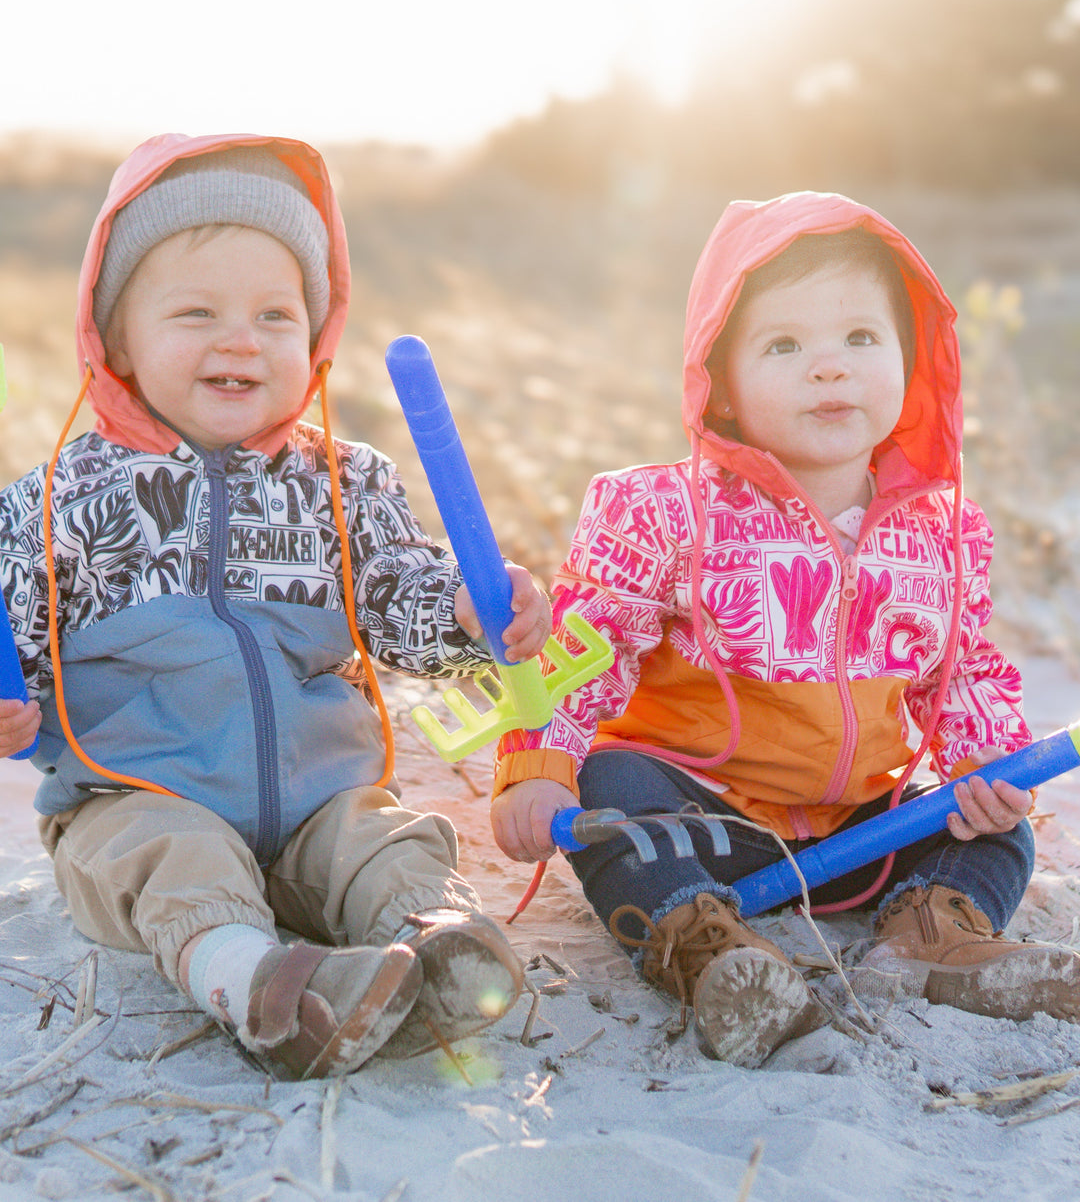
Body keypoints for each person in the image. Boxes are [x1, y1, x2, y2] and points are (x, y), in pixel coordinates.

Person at [0, 133, 551, 1080]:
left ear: (317, 336)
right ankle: (260, 984)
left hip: (314, 795)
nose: (240, 339)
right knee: (172, 858)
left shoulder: (344, 483)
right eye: (195, 312)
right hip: (136, 794)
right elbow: (16, 647)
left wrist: (465, 614)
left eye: (275, 314)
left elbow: (396, 600)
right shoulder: (57, 503)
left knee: (383, 837)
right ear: (116, 338)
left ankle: (440, 941)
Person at [490, 190, 1080, 1069]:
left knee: (993, 826)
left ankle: (930, 932)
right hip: (706, 820)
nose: (829, 369)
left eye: (860, 340)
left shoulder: (943, 532)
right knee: (613, 792)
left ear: (910, 363)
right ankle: (708, 950)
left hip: (856, 835)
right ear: (720, 388)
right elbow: (589, 647)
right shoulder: (665, 512)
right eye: (784, 346)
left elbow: (960, 671)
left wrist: (982, 765)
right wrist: (534, 768)